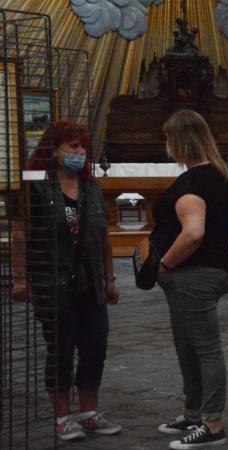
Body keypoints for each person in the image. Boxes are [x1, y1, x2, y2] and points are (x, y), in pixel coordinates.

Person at [11, 120, 122, 441]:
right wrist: (20, 279)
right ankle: (62, 417)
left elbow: (103, 237)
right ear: (54, 150)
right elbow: (21, 234)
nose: (81, 153)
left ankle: (89, 412)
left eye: (83, 147)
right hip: (53, 282)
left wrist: (110, 278)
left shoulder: (91, 189)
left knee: (94, 348)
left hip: (91, 282)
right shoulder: (38, 189)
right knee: (59, 350)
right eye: (74, 147)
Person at [151, 109, 228, 449]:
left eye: (168, 139)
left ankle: (212, 424)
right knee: (188, 346)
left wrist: (165, 265)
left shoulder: (191, 183)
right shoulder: (223, 177)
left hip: (192, 274)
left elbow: (193, 233)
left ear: (178, 141)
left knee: (205, 348)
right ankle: (194, 412)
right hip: (209, 271)